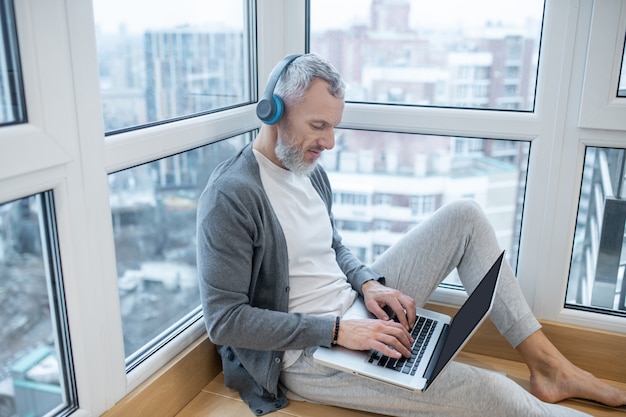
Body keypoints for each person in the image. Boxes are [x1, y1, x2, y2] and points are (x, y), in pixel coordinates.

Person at [196, 53, 626, 417]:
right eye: (319, 125)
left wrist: (366, 284)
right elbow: (224, 321)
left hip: (353, 315)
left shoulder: (307, 170)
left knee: (465, 216)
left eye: (333, 127)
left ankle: (549, 367)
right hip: (305, 356)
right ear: (273, 111)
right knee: (495, 393)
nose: (329, 142)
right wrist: (336, 332)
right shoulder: (231, 196)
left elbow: (330, 246)